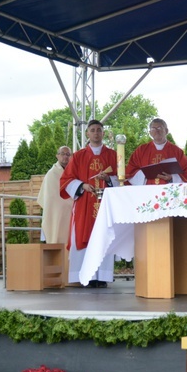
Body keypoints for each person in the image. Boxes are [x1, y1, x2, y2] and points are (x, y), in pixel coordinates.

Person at [60, 120, 119, 287]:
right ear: (87, 134)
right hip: (85, 203)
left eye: (99, 130)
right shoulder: (78, 156)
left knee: (104, 237)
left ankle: (102, 277)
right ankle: (84, 277)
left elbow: (121, 178)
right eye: (92, 130)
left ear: (103, 133)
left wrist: (108, 179)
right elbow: (66, 179)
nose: (96, 133)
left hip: (105, 204)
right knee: (82, 235)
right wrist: (82, 185)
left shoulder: (112, 155)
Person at [125, 118, 187, 185]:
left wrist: (172, 177)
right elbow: (131, 171)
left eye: (159, 128)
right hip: (146, 190)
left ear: (166, 131)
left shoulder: (177, 152)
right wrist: (146, 173)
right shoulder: (141, 151)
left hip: (168, 190)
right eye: (153, 128)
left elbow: (185, 175)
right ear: (150, 133)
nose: (156, 131)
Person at [37, 146, 73, 245]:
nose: (65, 157)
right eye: (62, 154)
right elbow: (50, 197)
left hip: (71, 212)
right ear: (57, 156)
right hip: (55, 212)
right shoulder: (51, 174)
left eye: (68, 154)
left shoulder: (74, 172)